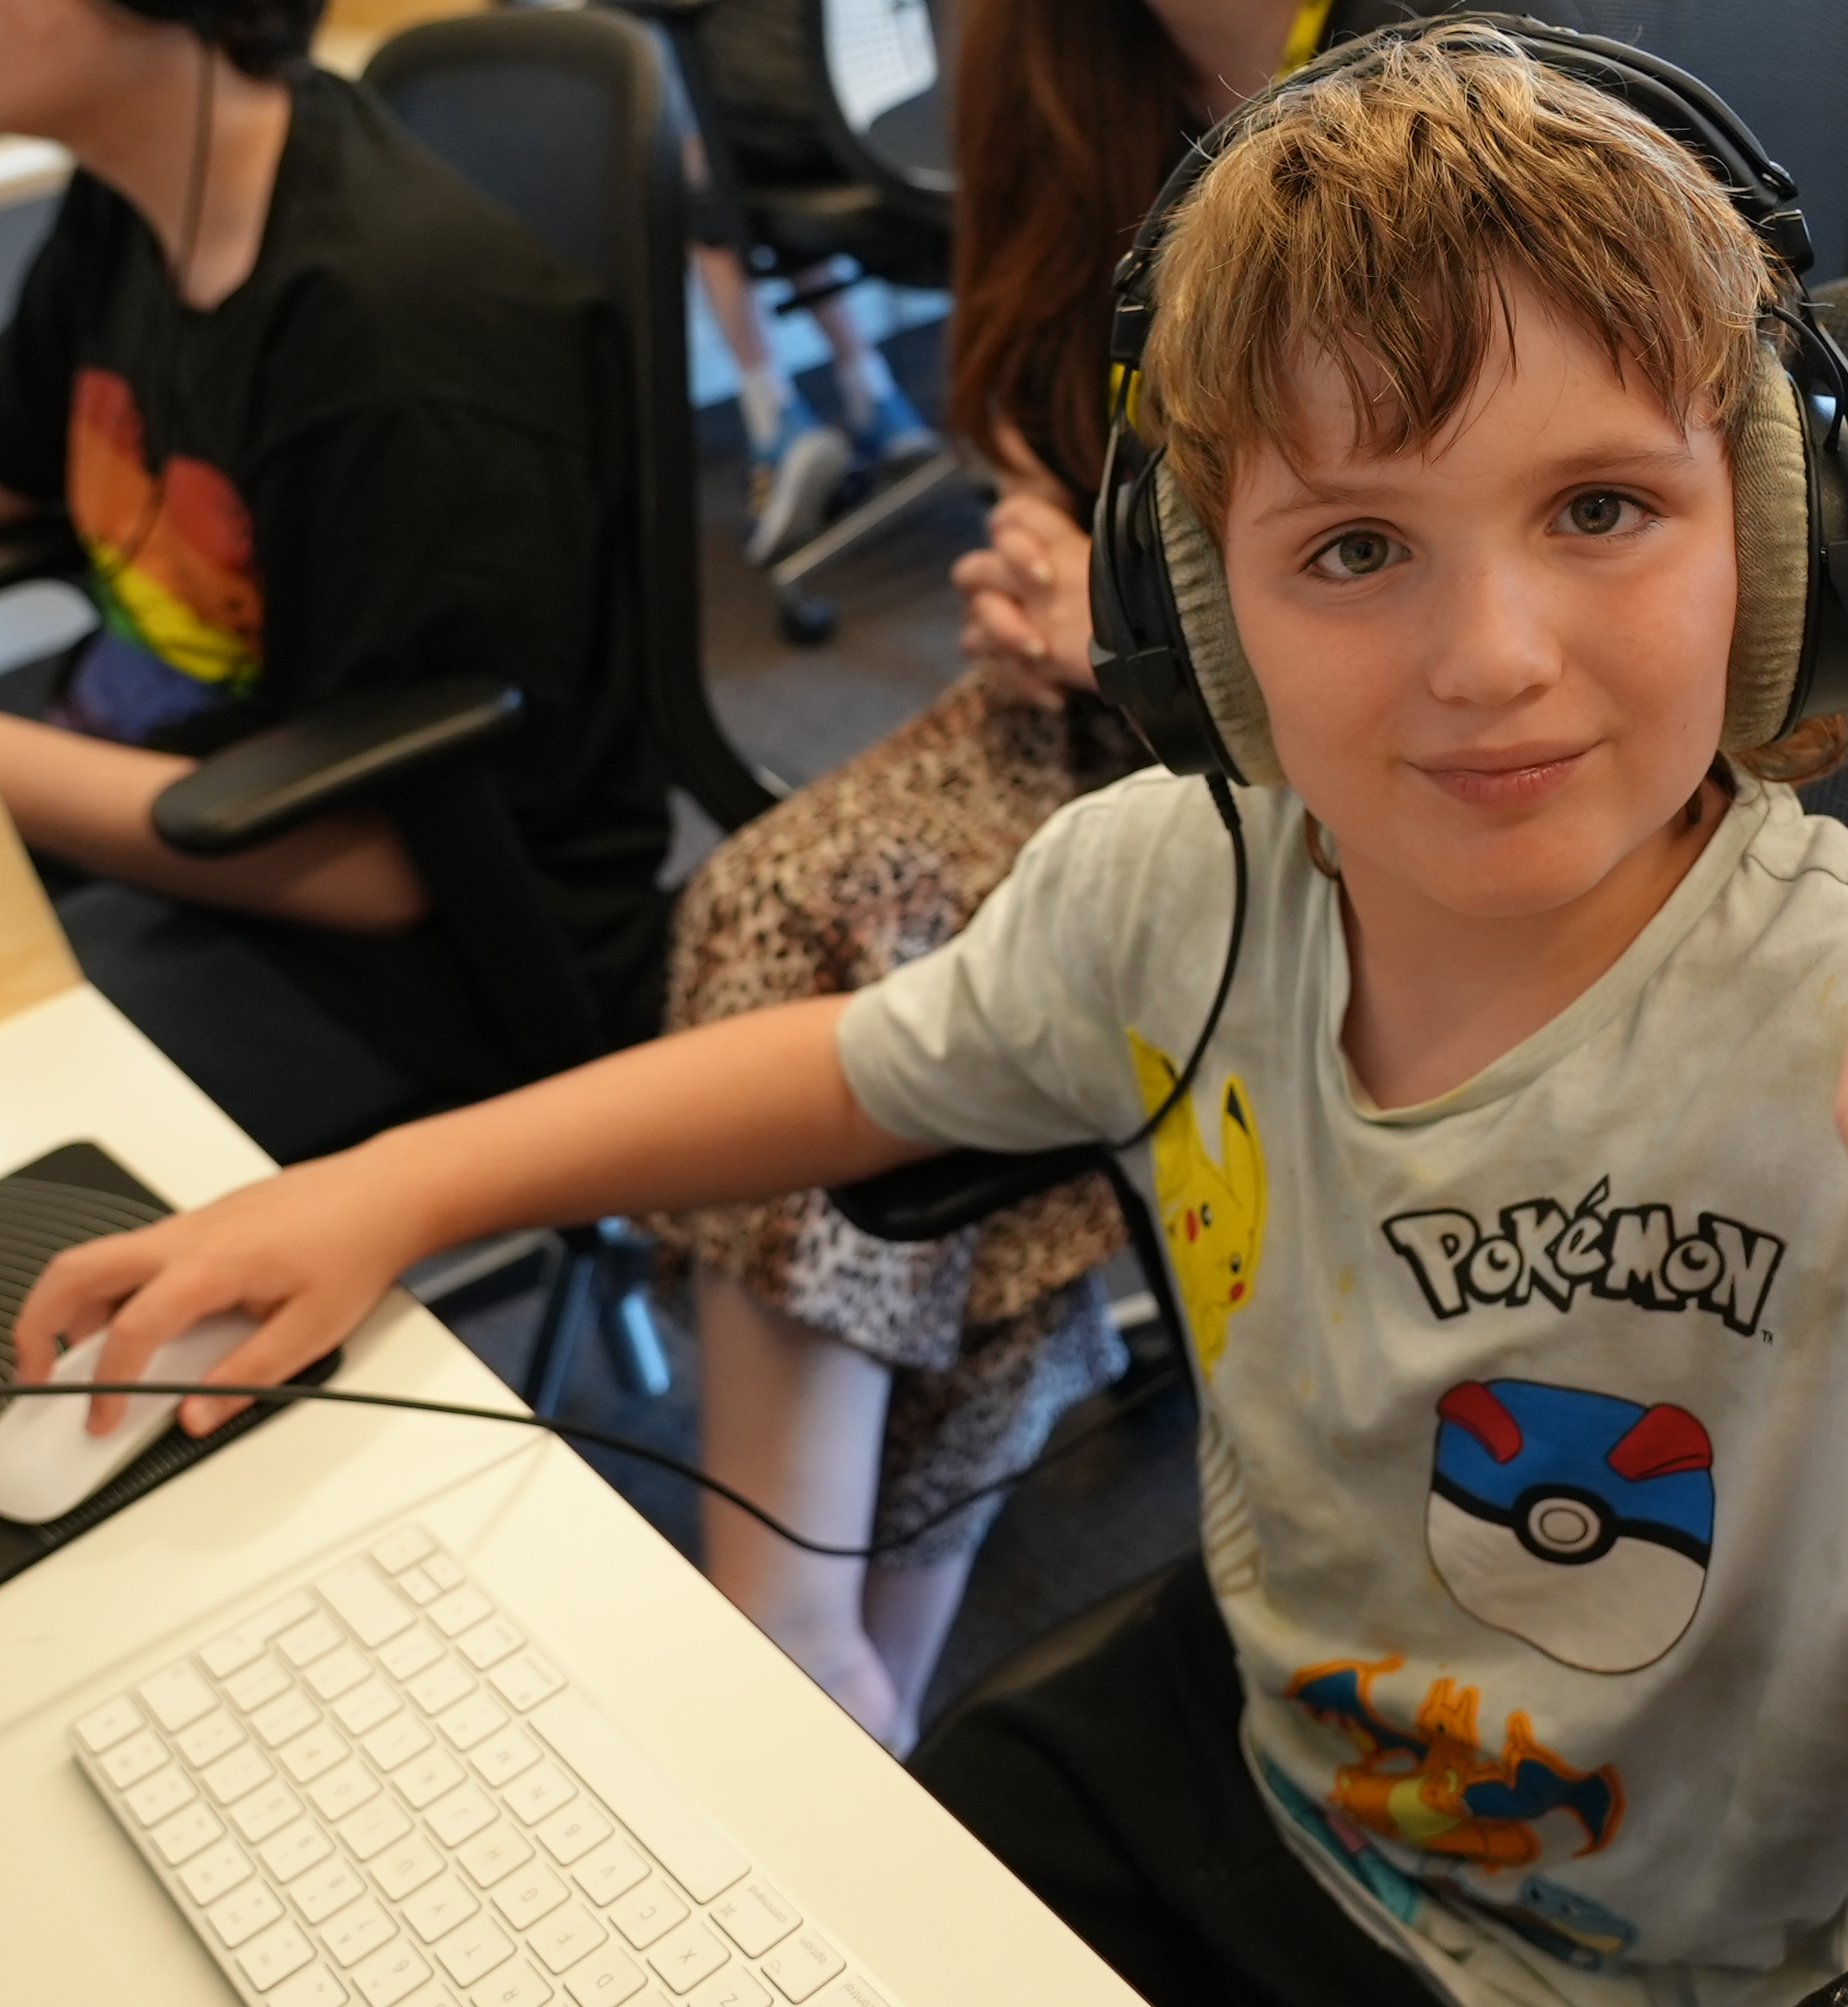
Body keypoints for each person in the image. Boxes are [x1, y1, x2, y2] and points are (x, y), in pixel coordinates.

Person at [10, 22, 1848, 2002]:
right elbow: (851, 1067)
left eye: (1605, 511)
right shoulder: (1173, 883)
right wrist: (386, 1191)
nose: (1491, 656)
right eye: (1353, 547)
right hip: (1273, 1775)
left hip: (1677, 1958)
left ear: (1781, 539)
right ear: (1195, 626)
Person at [656, 0, 1508, 1757]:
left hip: (1349, 725)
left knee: (990, 966)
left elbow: (1474, 569)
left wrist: (1144, 638)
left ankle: (819, 1666)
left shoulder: (1473, 64)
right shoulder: (1043, 52)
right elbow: (1036, 416)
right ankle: (804, 1637)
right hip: (1103, 687)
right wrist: (1051, 547)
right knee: (775, 898)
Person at [0, 0, 673, 1163]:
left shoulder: (396, 337)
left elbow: (387, 870)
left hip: (412, 953)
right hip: (172, 789)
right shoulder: (145, 194)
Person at [676, 0, 943, 564]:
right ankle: (872, 397)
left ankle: (775, 423)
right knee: (753, 173)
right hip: (926, 147)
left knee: (703, 178)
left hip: (800, 151)